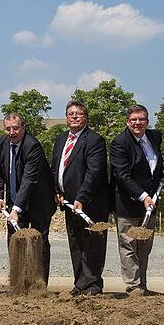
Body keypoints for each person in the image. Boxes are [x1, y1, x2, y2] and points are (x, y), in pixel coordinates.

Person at [51, 100, 110, 296]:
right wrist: (57, 192)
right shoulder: (60, 140)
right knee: (75, 244)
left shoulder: (94, 140)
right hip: (69, 203)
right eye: (70, 114)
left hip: (90, 203)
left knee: (93, 245)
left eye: (78, 114)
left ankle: (93, 284)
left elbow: (94, 172)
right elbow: (56, 169)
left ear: (86, 118)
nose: (74, 116)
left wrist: (82, 197)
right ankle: (80, 283)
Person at [110, 105, 164, 295]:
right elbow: (122, 175)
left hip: (150, 205)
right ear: (127, 122)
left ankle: (142, 284)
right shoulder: (120, 143)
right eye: (133, 119)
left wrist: (162, 177)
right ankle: (133, 286)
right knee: (128, 245)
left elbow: (156, 161)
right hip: (127, 203)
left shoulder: (154, 136)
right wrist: (143, 196)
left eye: (141, 119)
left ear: (147, 121)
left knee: (144, 245)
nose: (137, 123)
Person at [0, 113, 56, 284]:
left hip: (39, 202)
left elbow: (29, 179)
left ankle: (39, 283)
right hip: (14, 201)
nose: (12, 132)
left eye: (16, 128)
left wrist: (16, 209)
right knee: (15, 241)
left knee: (38, 242)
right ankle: (18, 283)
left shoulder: (32, 146)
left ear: (23, 127)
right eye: (8, 128)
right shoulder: (1, 143)